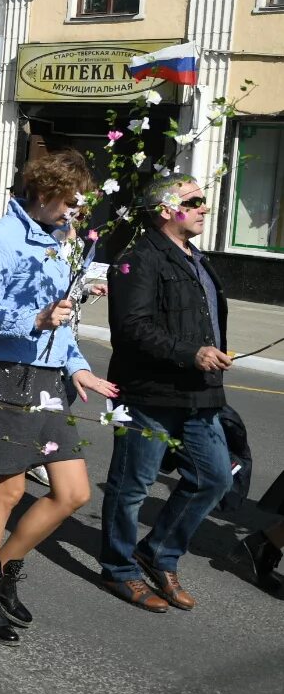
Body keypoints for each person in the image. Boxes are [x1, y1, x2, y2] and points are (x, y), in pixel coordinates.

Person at [0, 150, 117, 644]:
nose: (74, 211)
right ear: (45, 194)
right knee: (6, 490)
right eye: (69, 201)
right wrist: (32, 319)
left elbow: (62, 319)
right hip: (5, 374)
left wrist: (80, 369)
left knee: (73, 493)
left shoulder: (62, 243)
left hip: (48, 378)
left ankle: (5, 567)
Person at [98, 174, 232, 612]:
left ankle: (157, 553)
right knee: (132, 486)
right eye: (194, 201)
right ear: (165, 208)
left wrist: (207, 357)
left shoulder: (196, 258)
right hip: (149, 394)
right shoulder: (137, 259)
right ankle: (119, 568)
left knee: (212, 479)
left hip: (198, 393)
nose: (204, 207)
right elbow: (132, 330)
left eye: (202, 200)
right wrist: (192, 352)